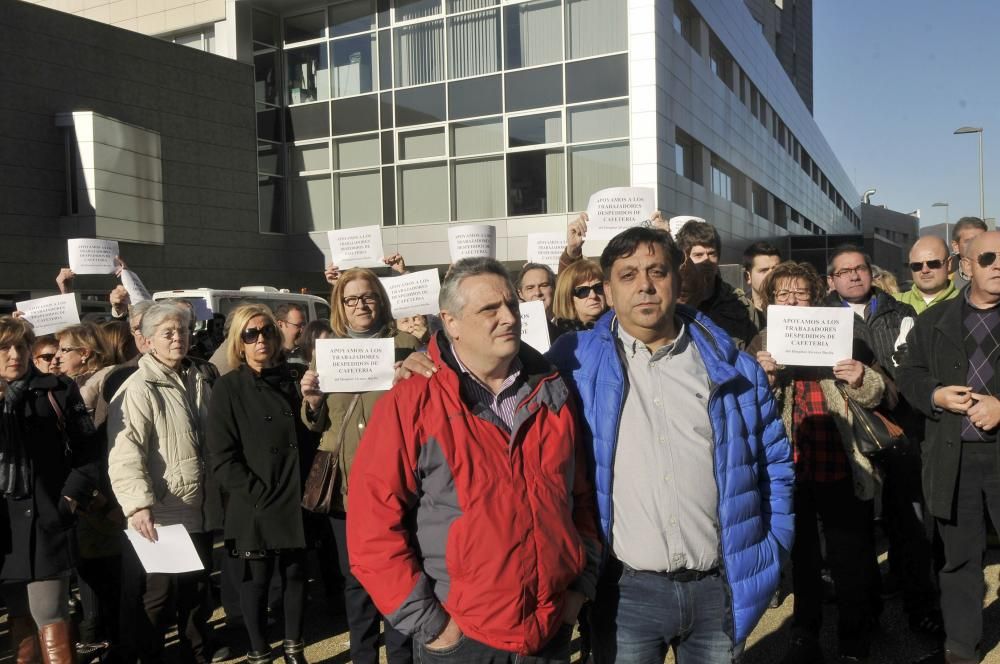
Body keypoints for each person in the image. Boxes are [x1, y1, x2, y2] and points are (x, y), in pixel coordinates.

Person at [547, 227, 793, 663]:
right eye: (627, 275)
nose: (644, 285)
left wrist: (770, 551)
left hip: (718, 588)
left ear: (678, 281)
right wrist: (428, 359)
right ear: (607, 289)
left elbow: (774, 464)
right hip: (624, 593)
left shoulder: (735, 367)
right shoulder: (573, 361)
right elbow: (494, 374)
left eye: (657, 271)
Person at [346, 257, 601, 663]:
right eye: (489, 309)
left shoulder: (553, 394)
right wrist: (433, 626)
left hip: (549, 629)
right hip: (461, 638)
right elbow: (371, 528)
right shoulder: (411, 401)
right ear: (451, 322)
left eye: (511, 306)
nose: (508, 318)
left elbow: (582, 499)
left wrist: (577, 590)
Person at [752, 261, 884, 663]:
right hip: (790, 467)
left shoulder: (842, 334)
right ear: (771, 301)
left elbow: (877, 393)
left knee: (850, 556)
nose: (792, 301)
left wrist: (861, 378)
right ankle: (804, 634)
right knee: (803, 558)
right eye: (782, 294)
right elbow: (746, 409)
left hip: (842, 462)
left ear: (816, 296)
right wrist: (765, 380)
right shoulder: (760, 341)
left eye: (801, 293)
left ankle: (854, 637)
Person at [298, 268, 420, 664]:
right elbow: (318, 422)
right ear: (340, 306)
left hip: (397, 482)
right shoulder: (328, 350)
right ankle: (364, 655)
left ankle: (401, 656)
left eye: (367, 296)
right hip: (347, 485)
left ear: (380, 300)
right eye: (351, 299)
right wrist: (312, 400)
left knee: (401, 575)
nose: (360, 305)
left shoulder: (407, 345)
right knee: (356, 580)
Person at [824, 244, 941, 635]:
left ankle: (920, 607)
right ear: (831, 280)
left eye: (860, 268)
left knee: (909, 525)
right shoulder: (818, 319)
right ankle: (865, 614)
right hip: (848, 435)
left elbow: (914, 369)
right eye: (844, 271)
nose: (854, 276)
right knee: (857, 532)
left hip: (899, 432)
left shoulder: (901, 312)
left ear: (870, 273)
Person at [897, 230, 1000, 664]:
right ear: (966, 266)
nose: (998, 265)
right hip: (953, 459)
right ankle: (960, 647)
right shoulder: (932, 322)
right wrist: (935, 395)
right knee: (958, 560)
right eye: (989, 257)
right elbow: (909, 374)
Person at [107, 302, 217, 664]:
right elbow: (125, 452)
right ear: (149, 341)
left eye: (183, 331)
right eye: (168, 333)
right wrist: (138, 505)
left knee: (196, 596)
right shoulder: (137, 388)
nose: (177, 339)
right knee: (158, 597)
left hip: (197, 506)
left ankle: (196, 658)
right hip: (161, 511)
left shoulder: (199, 378)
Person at [207, 305, 314, 664]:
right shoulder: (228, 387)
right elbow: (221, 455)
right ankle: (257, 650)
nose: (260, 340)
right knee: (257, 579)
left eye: (266, 331)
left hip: (294, 491)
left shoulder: (294, 377)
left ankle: (293, 647)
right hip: (255, 498)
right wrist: (256, 494)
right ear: (239, 341)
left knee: (296, 573)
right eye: (250, 334)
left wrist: (312, 402)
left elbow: (312, 433)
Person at [0, 315, 100, 664]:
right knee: (18, 616)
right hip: (6, 528)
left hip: (45, 520)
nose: (15, 354)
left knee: (51, 611)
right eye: (5, 347)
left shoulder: (57, 389)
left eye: (22, 346)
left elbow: (89, 451)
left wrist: (70, 498)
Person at [674, 220, 758, 349]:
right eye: (698, 255)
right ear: (684, 259)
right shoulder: (672, 304)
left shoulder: (741, 305)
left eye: (711, 254)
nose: (706, 260)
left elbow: (753, 352)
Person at [895, 236, 959, 314]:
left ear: (949, 264)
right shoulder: (893, 304)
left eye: (933, 264)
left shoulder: (967, 305)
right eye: (917, 265)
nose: (925, 270)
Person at [551, 259, 607, 333]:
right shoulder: (557, 336)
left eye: (598, 287)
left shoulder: (619, 327)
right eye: (583, 291)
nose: (593, 296)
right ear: (568, 298)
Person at [738, 241, 782, 333]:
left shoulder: (793, 306)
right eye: (764, 270)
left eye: (776, 269)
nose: (771, 275)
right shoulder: (737, 310)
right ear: (748, 277)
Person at [949, 216, 988, 290]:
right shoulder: (946, 282)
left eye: (981, 240)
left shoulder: (996, 274)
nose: (976, 245)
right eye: (969, 241)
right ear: (956, 246)